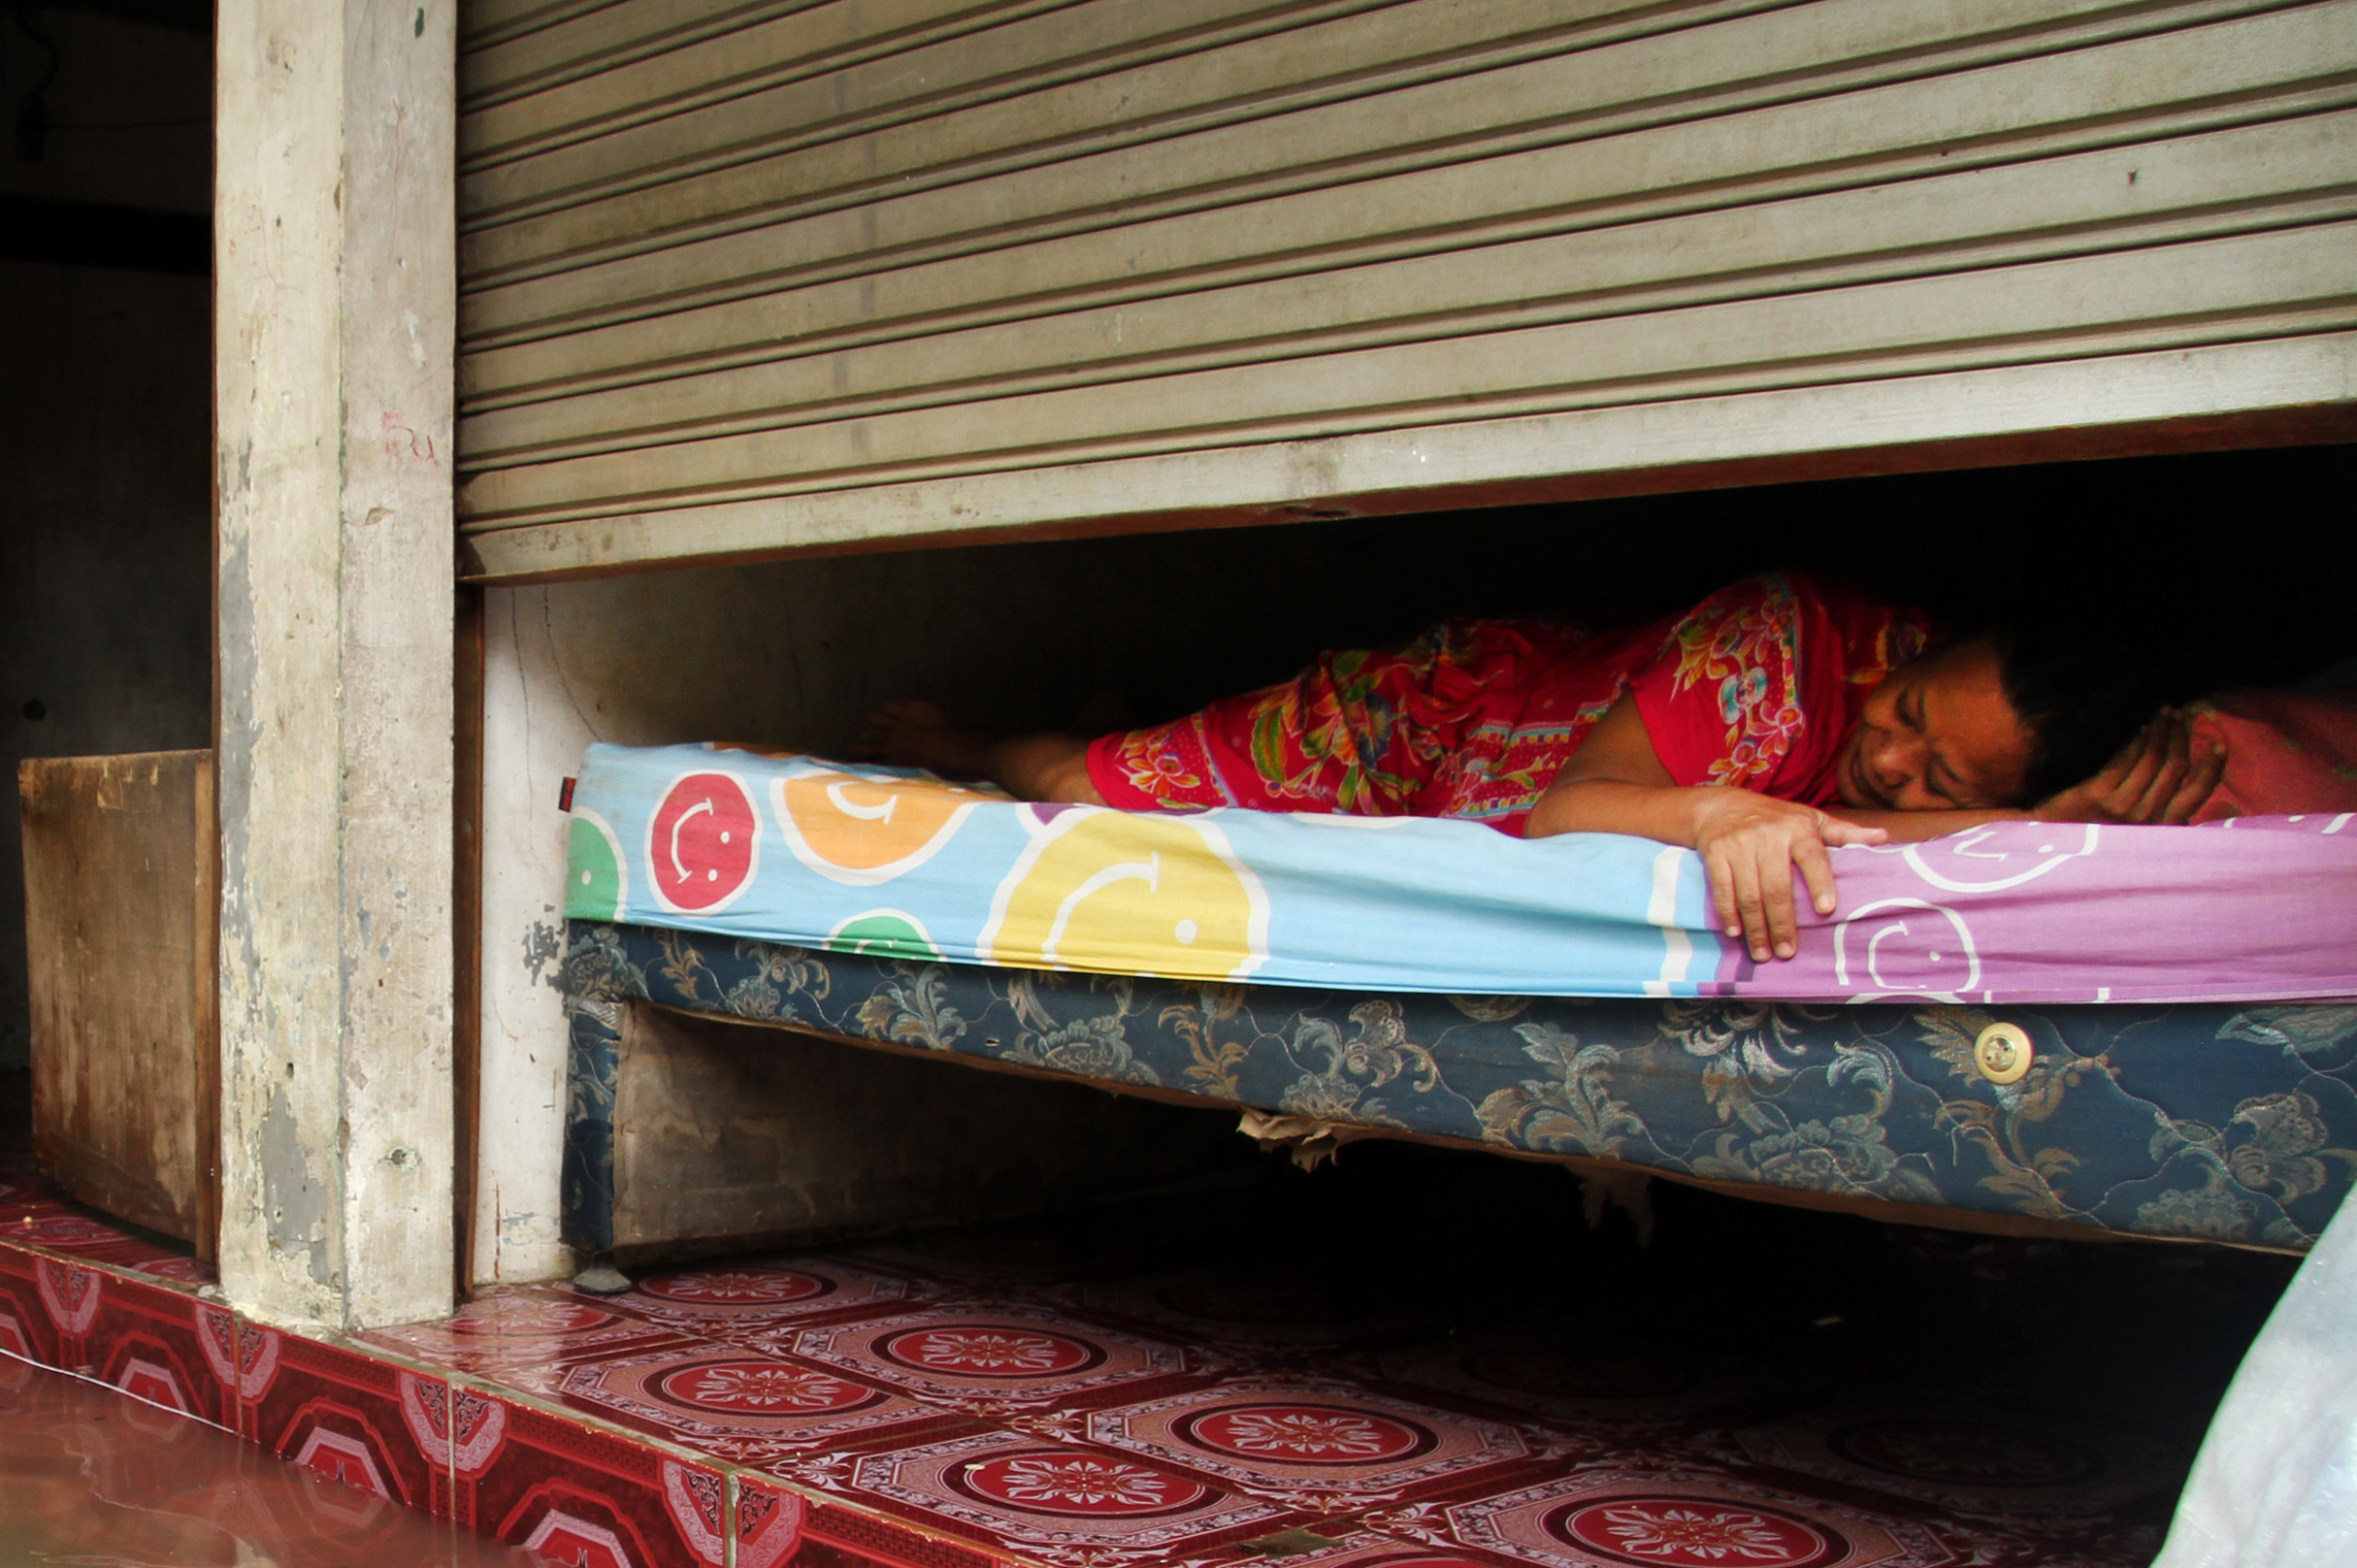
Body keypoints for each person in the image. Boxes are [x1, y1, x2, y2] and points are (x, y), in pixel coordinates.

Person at [866, 572, 2228, 960]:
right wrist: (1719, 811)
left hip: (1489, 753)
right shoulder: (1780, 649)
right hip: (1434, 717)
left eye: (1941, 778)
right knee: (1086, 792)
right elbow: (1570, 809)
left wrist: (2042, 821)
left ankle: (1130, 715)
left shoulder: (1995, 773)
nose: (1888, 754)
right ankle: (967, 737)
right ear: (1934, 639)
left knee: (1158, 757)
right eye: (1913, 706)